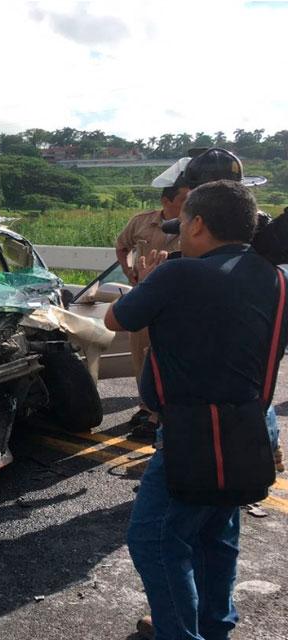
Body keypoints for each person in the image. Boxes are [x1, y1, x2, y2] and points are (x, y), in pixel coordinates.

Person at [104, 179, 286, 640]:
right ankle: (213, 626)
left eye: (182, 223)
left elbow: (115, 318)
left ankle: (180, 632)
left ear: (199, 223)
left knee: (153, 539)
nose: (178, 233)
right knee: (215, 537)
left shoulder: (177, 274)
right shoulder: (272, 276)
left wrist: (149, 281)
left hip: (193, 435)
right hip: (248, 428)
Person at [115, 185, 189, 433]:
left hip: (180, 302)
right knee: (141, 354)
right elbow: (122, 246)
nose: (190, 203)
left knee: (168, 355)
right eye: (184, 199)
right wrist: (129, 271)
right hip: (146, 298)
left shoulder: (196, 225)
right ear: (166, 201)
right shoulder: (141, 222)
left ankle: (161, 413)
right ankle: (147, 406)